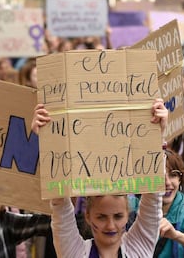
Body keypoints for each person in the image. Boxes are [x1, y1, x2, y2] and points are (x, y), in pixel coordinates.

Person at [31, 99, 167, 258]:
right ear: (87, 216)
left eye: (118, 216)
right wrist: (47, 138)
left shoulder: (139, 248)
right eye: (101, 217)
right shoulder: (74, 253)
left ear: (128, 214)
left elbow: (154, 196)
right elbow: (59, 203)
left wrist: (157, 135)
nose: (110, 226)